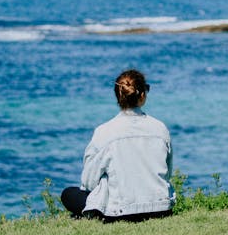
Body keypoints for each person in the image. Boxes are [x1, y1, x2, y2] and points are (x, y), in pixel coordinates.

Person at [61, 69, 175, 222]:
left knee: (68, 194)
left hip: (121, 212)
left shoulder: (104, 132)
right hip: (160, 209)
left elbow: (88, 181)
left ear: (118, 96)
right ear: (142, 96)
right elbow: (166, 173)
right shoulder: (160, 129)